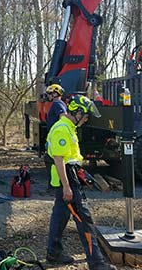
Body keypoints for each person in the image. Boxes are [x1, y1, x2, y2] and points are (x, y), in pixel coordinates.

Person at [46, 95, 117, 270]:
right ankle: (97, 263)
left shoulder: (69, 127)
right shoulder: (62, 129)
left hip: (70, 176)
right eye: (85, 116)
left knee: (60, 216)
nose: (86, 120)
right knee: (84, 219)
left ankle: (53, 253)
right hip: (67, 179)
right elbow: (59, 159)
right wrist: (68, 186)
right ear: (77, 112)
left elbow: (71, 158)